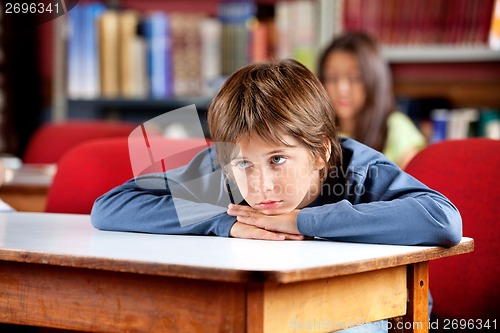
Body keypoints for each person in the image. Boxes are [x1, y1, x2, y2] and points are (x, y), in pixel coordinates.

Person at [91, 58, 461, 247]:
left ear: (319, 153)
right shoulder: (222, 169)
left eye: (278, 160)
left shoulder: (359, 171)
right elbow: (110, 207)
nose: (261, 184)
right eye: (244, 164)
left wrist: (299, 221)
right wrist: (224, 224)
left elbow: (443, 221)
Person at [318, 32, 425, 169]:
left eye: (355, 78)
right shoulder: (317, 131)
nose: (341, 89)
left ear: (374, 80)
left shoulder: (396, 129)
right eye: (332, 78)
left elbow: (413, 187)